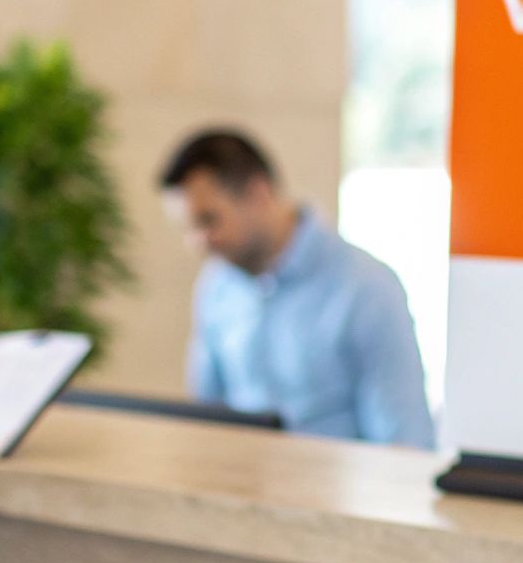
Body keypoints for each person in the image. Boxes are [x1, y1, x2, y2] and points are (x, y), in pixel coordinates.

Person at [158, 128, 434, 448]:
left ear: (258, 193)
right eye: (187, 229)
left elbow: (403, 440)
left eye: (208, 221)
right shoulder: (217, 286)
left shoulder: (368, 288)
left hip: (338, 492)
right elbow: (206, 417)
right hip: (239, 487)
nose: (198, 243)